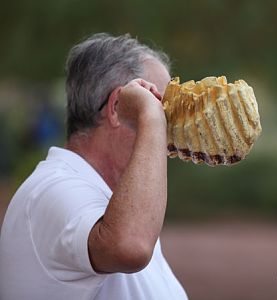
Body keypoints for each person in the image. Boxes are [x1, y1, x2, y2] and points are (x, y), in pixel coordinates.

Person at [0, 33, 188, 300]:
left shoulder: (124, 204)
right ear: (117, 107)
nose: (170, 127)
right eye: (164, 109)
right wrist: (151, 116)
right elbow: (130, 247)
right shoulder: (52, 189)